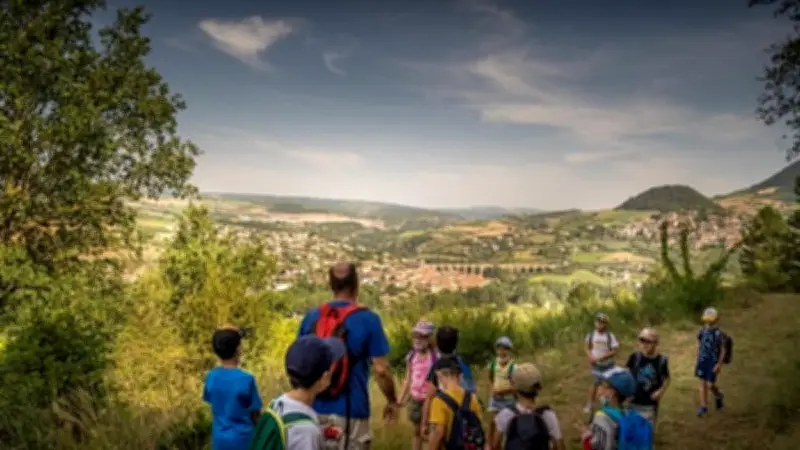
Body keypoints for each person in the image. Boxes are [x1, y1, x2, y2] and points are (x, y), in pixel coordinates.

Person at [297, 262, 398, 450]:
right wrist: (392, 400)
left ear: (331, 285)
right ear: (356, 284)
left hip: (312, 410)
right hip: (352, 411)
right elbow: (381, 370)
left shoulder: (311, 317)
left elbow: (299, 364)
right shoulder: (368, 319)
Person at [251, 335, 346, 450]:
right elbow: (301, 435)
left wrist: (322, 433)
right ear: (325, 378)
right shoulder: (306, 432)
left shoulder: (277, 404)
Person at [203, 325, 263, 450]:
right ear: (238, 349)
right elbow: (255, 416)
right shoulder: (247, 379)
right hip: (244, 441)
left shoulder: (211, 377)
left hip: (220, 440)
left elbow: (213, 403)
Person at [491, 362, 565, 450]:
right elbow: (560, 446)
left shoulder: (506, 414)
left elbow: (495, 445)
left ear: (515, 387)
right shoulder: (547, 414)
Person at [421, 326, 476, 437]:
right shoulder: (462, 362)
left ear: (437, 344)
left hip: (443, 415)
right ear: (456, 343)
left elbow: (429, 397)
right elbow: (472, 389)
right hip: (465, 413)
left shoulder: (437, 366)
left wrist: (424, 424)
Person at [580, 367, 652, 450]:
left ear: (612, 392)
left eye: (602, 385)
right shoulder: (629, 414)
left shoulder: (602, 417)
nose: (598, 388)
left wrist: (586, 436)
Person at [427, 356, 486, 450]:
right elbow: (479, 424)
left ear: (440, 375)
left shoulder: (439, 401)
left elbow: (439, 432)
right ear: (460, 376)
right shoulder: (472, 397)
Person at [398, 320, 437, 450]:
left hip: (430, 400)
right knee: (416, 431)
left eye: (422, 336)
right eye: (416, 336)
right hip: (415, 399)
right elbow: (408, 379)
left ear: (429, 339)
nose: (418, 339)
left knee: (428, 430)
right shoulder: (412, 356)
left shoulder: (434, 357)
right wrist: (400, 399)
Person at [625, 327, 670, 426]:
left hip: (650, 405)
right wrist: (626, 392)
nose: (644, 344)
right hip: (633, 402)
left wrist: (660, 391)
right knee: (630, 429)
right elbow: (626, 375)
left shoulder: (661, 361)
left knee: (646, 430)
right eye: (642, 341)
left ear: (656, 343)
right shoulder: (634, 357)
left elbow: (667, 378)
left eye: (648, 342)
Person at [584, 313, 620, 414]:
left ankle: (609, 404)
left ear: (606, 324)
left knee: (609, 384)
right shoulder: (591, 335)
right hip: (596, 365)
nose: (600, 324)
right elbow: (587, 348)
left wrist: (603, 357)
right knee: (595, 383)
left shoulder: (610, 336)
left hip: (608, 365)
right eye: (598, 322)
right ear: (595, 322)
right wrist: (590, 356)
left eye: (602, 323)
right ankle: (590, 404)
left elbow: (615, 350)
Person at [695, 307, 726, 417]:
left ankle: (718, 394)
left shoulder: (718, 333)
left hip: (713, 362)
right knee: (702, 383)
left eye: (711, 319)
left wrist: (719, 364)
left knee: (710, 384)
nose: (708, 322)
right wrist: (698, 358)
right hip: (702, 360)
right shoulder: (702, 331)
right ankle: (703, 406)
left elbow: (723, 350)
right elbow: (700, 344)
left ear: (716, 320)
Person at [486, 336, 517, 444]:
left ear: (510, 351)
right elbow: (490, 377)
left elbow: (515, 387)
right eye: (499, 349)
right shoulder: (493, 364)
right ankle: (490, 445)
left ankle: (501, 445)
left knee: (504, 426)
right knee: (492, 423)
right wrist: (493, 388)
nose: (502, 352)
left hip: (508, 400)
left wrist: (502, 391)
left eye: (505, 349)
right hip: (495, 399)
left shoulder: (513, 367)